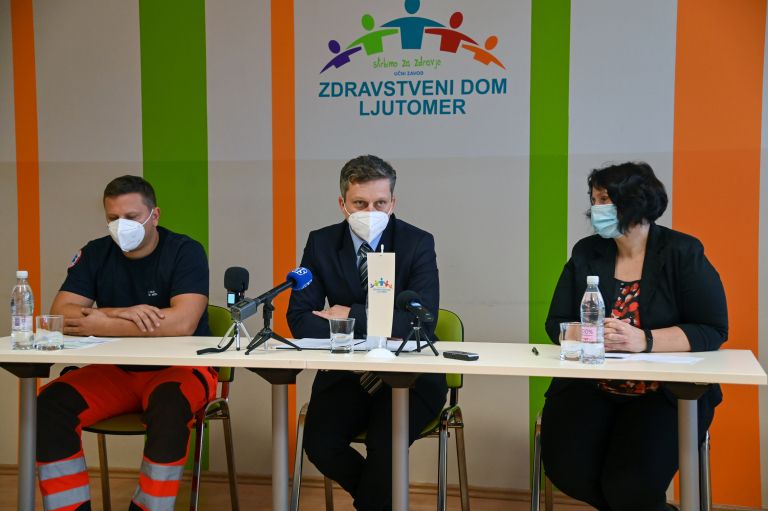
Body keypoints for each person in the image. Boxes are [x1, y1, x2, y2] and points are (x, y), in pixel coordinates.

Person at [541, 162, 728, 511]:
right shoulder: (587, 252)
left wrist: (644, 340)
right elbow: (556, 324)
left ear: (636, 203)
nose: (595, 209)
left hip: (664, 393)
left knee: (628, 486)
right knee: (567, 471)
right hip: (591, 387)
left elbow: (712, 328)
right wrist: (583, 331)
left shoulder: (682, 251)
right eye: (594, 199)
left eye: (604, 199)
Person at [37, 175, 217, 511]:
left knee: (169, 407)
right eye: (113, 218)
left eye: (131, 217)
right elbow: (61, 313)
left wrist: (101, 322)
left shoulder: (185, 251)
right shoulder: (95, 253)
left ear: (154, 215)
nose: (122, 226)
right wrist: (120, 313)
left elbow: (182, 323)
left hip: (181, 370)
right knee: (49, 404)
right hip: (116, 372)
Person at [287, 155, 446, 511]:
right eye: (360, 203)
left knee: (385, 441)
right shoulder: (321, 243)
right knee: (320, 443)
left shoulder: (417, 243)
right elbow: (300, 319)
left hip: (410, 376)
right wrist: (381, 325)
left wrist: (348, 315)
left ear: (393, 203)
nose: (370, 211)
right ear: (342, 203)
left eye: (380, 203)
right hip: (348, 374)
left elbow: (422, 323)